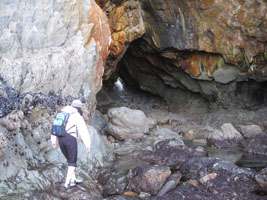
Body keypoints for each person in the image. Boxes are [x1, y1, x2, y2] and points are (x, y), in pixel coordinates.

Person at [51, 99, 91, 189]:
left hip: (60, 139)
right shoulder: (77, 116)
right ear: (79, 108)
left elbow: (55, 126)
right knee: (72, 162)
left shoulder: (62, 113)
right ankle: (67, 183)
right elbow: (83, 131)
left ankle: (73, 180)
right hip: (70, 139)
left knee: (69, 159)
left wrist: (53, 140)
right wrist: (87, 144)